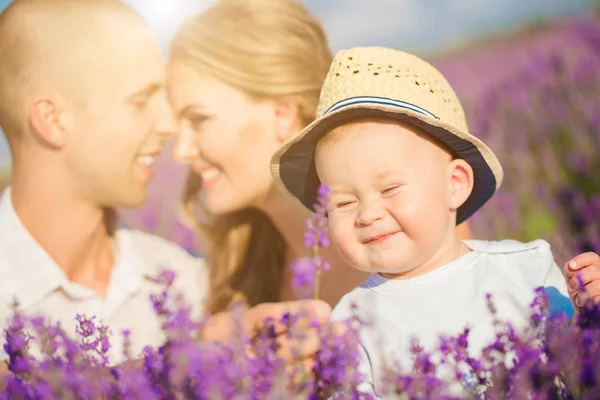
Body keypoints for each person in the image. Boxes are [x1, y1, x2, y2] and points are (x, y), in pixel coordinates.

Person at [0, 0, 330, 372]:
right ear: (53, 120)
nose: (170, 128)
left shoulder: (190, 283)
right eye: (141, 101)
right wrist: (179, 365)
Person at [270, 46, 600, 396]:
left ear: (454, 185)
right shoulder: (351, 323)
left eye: (390, 188)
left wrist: (590, 302)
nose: (367, 214)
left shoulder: (526, 268)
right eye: (344, 201)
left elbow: (579, 358)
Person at [166, 0, 473, 315]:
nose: (181, 151)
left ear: (283, 116)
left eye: (199, 120)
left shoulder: (421, 238)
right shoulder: (238, 272)